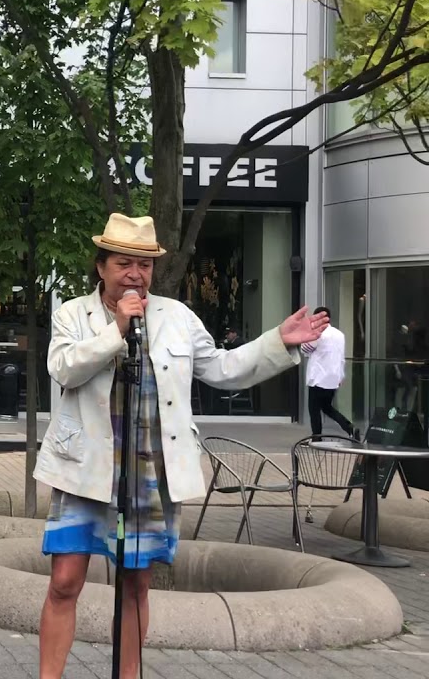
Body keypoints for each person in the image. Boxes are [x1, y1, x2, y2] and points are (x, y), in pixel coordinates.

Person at [33, 213, 326, 679]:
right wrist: (117, 332)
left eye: (145, 265)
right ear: (101, 267)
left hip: (152, 472)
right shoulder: (73, 313)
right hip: (85, 467)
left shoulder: (177, 317)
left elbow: (222, 369)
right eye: (125, 262)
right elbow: (65, 369)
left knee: (136, 585)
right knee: (65, 582)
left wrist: (278, 342)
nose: (135, 274)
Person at [301, 307, 356, 438]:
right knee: (327, 407)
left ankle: (316, 437)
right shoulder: (339, 335)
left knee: (314, 409)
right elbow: (342, 358)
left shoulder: (317, 334)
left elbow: (305, 349)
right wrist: (341, 375)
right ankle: (348, 427)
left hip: (318, 378)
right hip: (333, 378)